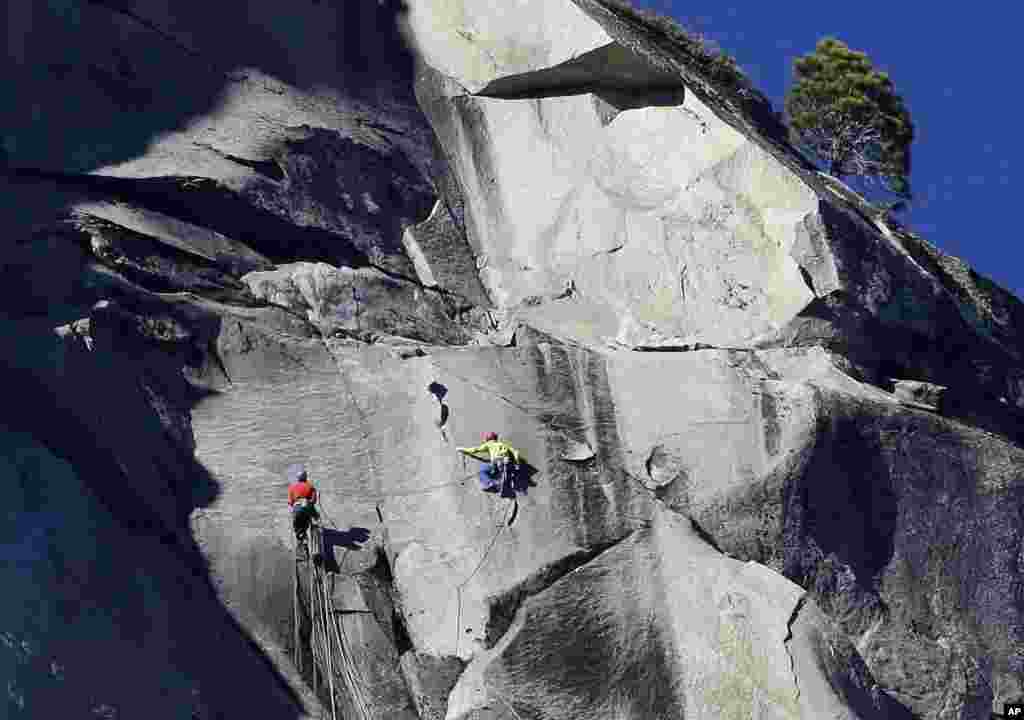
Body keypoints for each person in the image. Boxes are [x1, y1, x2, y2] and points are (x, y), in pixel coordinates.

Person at [457, 432, 522, 495]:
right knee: (505, 471)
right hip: (507, 461)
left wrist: (462, 449)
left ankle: (491, 483)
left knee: (482, 471)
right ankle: (508, 478)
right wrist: (517, 463)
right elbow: (516, 452)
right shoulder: (503, 444)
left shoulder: (489, 444)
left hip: (496, 462)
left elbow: (475, 450)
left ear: (488, 439)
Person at [286, 463, 319, 546]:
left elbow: (290, 502)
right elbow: (313, 500)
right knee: (315, 518)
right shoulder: (311, 486)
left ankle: (301, 537)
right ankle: (315, 533)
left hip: (297, 509)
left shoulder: (292, 487)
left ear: (298, 478)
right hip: (308, 507)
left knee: (298, 525)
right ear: (306, 477)